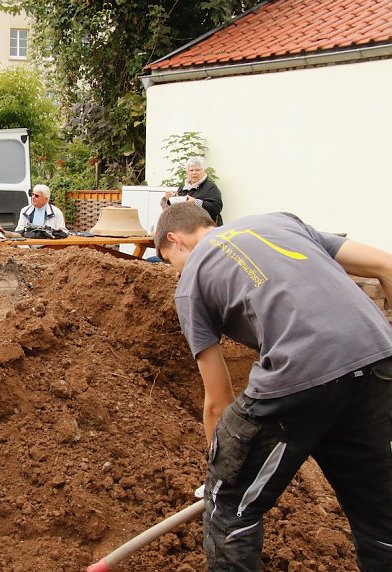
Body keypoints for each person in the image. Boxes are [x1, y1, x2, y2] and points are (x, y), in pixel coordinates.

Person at [153, 202, 392, 571]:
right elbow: (386, 265)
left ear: (176, 240)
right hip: (378, 360)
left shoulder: (192, 281)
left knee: (231, 507)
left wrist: (222, 476)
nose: (176, 272)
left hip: (298, 372)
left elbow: (218, 402)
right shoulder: (281, 223)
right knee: (380, 513)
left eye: (171, 262)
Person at [162, 157, 223, 225]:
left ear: (204, 171)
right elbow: (177, 211)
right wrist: (172, 199)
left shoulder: (210, 187)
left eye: (197, 170)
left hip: (205, 228)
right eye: (191, 170)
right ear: (187, 172)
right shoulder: (182, 188)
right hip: (187, 227)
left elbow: (216, 208)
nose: (194, 173)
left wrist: (196, 202)